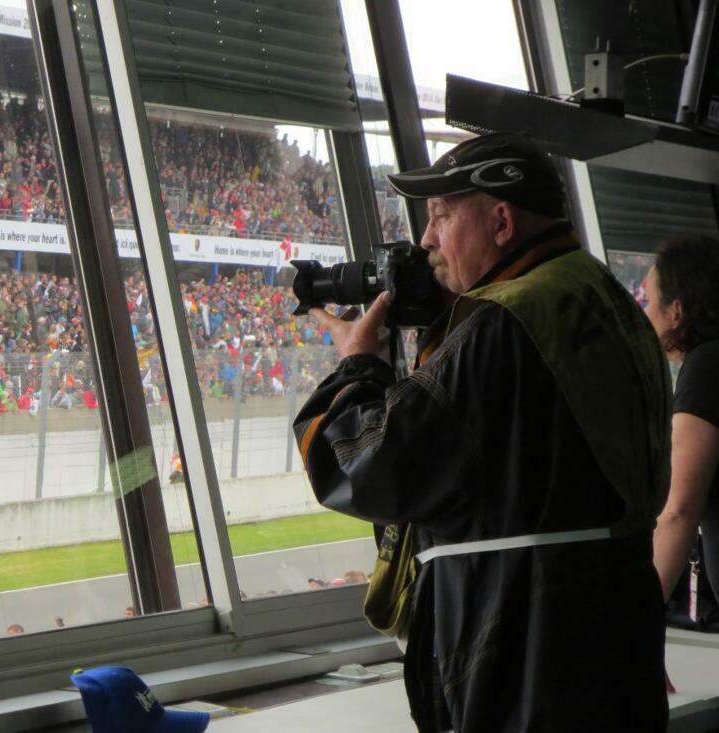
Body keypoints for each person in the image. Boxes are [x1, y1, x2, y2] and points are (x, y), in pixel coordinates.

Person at [293, 133, 671, 732]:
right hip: (610, 633)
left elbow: (363, 464)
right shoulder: (607, 299)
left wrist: (359, 365)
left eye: (442, 215)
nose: (425, 240)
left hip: (524, 648)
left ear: (501, 221)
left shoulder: (504, 320)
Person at [645, 236, 719, 608]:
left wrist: (637, 616)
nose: (645, 313)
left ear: (677, 309)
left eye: (648, 300)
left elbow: (680, 509)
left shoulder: (707, 365)